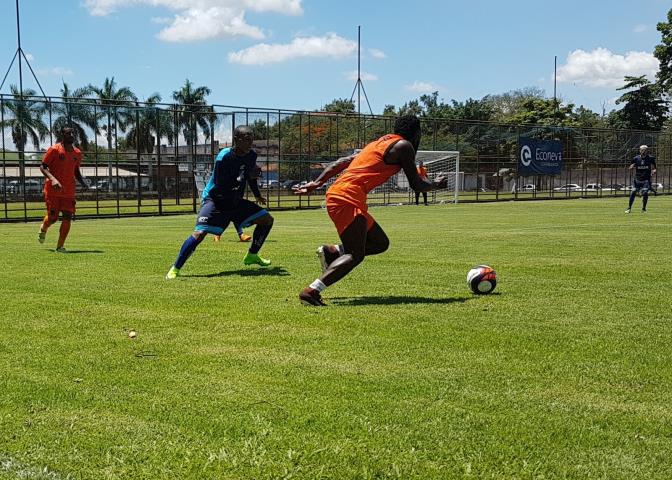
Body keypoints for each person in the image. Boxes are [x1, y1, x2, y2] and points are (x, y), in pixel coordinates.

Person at [293, 115, 446, 306]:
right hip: (346, 198)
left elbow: (342, 161)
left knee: (380, 243)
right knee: (355, 254)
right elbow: (417, 184)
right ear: (417, 134)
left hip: (344, 196)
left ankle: (333, 252)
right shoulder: (403, 146)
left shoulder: (379, 143)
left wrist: (318, 182)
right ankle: (312, 291)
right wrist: (436, 185)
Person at [165, 126, 273, 279]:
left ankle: (252, 255)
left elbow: (251, 177)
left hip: (234, 201)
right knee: (199, 233)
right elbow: (221, 183)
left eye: (251, 139)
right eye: (246, 139)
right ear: (236, 139)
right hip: (215, 200)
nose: (250, 142)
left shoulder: (251, 156)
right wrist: (245, 176)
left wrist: (257, 195)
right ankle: (175, 268)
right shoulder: (225, 156)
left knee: (267, 220)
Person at [38, 127, 88, 252]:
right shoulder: (54, 150)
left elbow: (76, 170)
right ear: (63, 135)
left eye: (72, 133)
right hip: (53, 191)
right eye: (68, 133)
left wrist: (82, 182)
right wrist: (52, 179)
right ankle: (44, 227)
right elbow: (43, 167)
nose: (71, 135)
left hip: (69, 191)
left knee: (67, 216)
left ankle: (60, 246)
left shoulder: (77, 153)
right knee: (53, 218)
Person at [625, 145, 657, 214]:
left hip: (646, 180)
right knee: (633, 192)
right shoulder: (636, 158)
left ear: (647, 151)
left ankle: (644, 209)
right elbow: (632, 164)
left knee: (645, 193)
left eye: (645, 150)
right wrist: (631, 166)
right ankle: (629, 208)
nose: (643, 151)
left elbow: (654, 167)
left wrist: (654, 171)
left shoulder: (651, 158)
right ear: (640, 150)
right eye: (642, 150)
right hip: (637, 179)